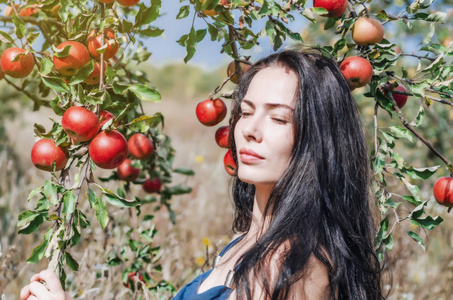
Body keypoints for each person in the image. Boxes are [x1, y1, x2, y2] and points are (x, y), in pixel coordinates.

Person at [20, 49, 385, 300]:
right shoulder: (248, 241)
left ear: (317, 137)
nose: (249, 130)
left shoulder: (297, 267)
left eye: (278, 118)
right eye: (245, 111)